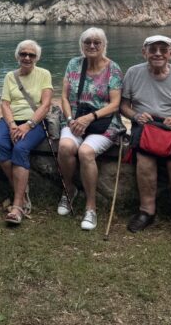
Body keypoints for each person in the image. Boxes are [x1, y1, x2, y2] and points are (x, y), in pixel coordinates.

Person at [120, 35, 171, 237]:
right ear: (144, 52)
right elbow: (124, 106)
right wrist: (135, 116)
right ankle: (146, 210)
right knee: (145, 161)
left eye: (163, 50)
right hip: (146, 126)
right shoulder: (133, 73)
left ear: (170, 54)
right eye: (152, 49)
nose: (158, 54)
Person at [57, 28, 126, 230]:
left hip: (104, 122)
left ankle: (91, 206)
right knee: (65, 147)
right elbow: (64, 97)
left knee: (86, 152)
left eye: (97, 42)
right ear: (82, 45)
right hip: (75, 120)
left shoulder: (113, 69)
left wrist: (90, 117)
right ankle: (69, 190)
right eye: (87, 42)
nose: (92, 46)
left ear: (104, 45)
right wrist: (70, 119)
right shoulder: (74, 64)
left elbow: (115, 104)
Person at [0, 40, 52, 225]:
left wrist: (28, 125)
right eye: (23, 54)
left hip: (35, 121)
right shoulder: (10, 76)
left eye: (31, 55)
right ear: (17, 56)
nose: (27, 57)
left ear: (36, 58)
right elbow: (5, 104)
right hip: (11, 120)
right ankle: (23, 193)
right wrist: (11, 125)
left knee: (20, 148)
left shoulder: (44, 74)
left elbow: (46, 105)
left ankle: (17, 205)